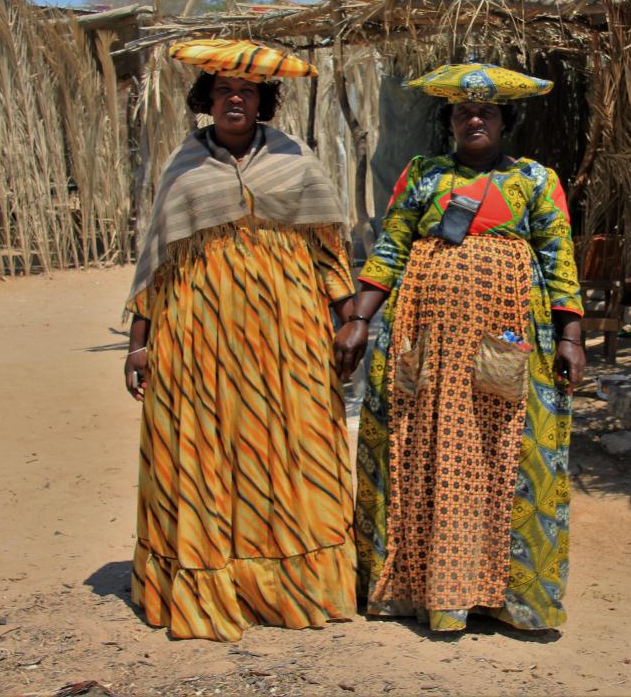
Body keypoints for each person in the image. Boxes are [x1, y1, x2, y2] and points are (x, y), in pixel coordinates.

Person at [334, 62, 585, 633]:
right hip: (425, 338)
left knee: (502, 449)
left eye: (487, 111)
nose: (475, 118)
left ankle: (504, 597)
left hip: (506, 341)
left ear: (505, 120)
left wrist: (571, 336)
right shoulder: (423, 175)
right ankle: (414, 589)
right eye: (464, 111)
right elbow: (391, 248)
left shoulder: (534, 180)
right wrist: (359, 320)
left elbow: (558, 258)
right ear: (449, 120)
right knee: (421, 447)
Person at [123, 39, 357, 642]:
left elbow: (329, 251)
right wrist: (138, 342)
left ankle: (290, 583)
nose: (234, 99)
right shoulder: (184, 166)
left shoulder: (297, 162)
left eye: (247, 91)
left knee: (292, 440)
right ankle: (213, 578)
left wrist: (349, 322)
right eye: (224, 90)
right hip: (198, 331)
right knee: (208, 446)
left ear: (263, 101)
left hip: (289, 332)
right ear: (206, 100)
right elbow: (156, 259)